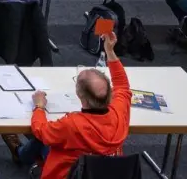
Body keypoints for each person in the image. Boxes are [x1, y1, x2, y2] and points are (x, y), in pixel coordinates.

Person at [14, 30, 129, 177]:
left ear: (80, 95)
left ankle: (20, 153)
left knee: (42, 139)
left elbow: (41, 130)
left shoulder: (72, 125)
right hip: (105, 172)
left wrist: (39, 106)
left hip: (70, 173)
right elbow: (123, 85)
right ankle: (21, 152)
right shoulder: (119, 113)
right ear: (109, 93)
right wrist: (110, 51)